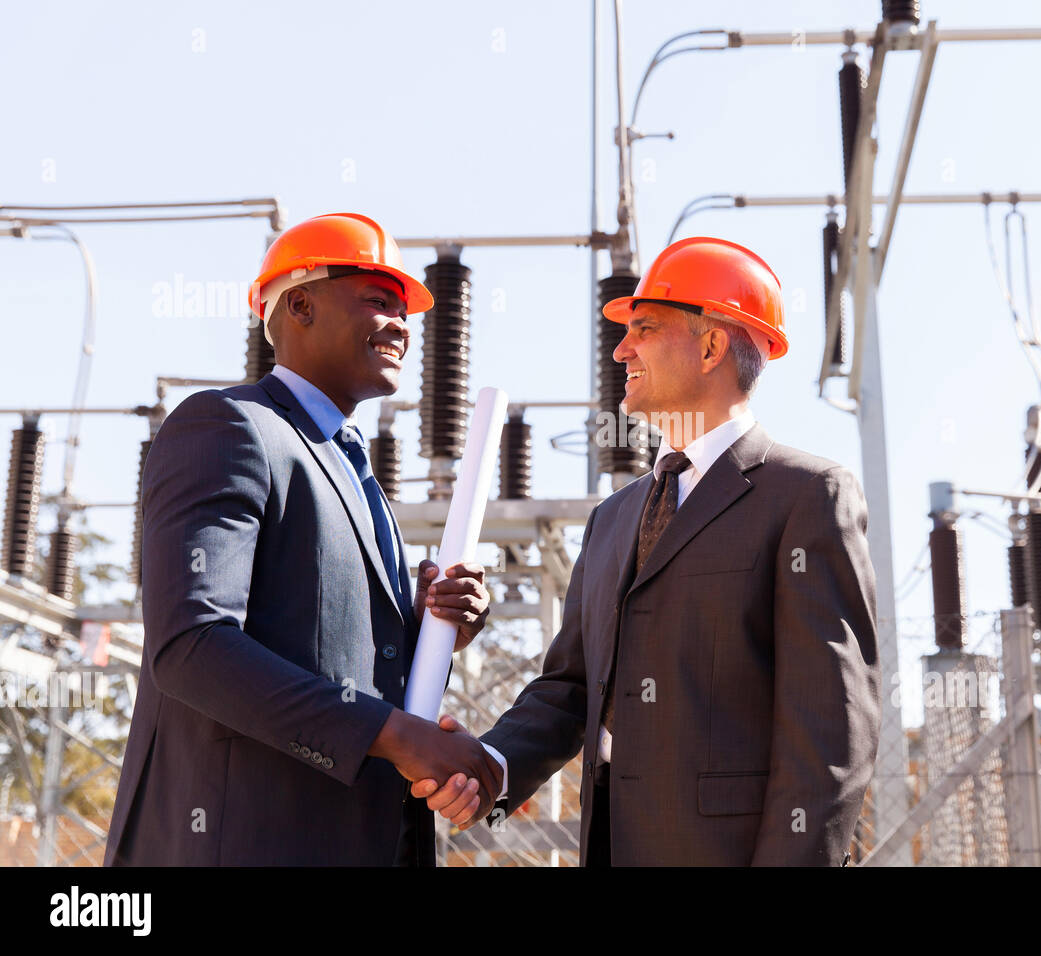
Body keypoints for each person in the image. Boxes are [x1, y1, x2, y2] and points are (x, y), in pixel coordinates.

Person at [419, 236, 880, 865]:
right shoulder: (614, 518)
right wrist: (492, 767)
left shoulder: (806, 497)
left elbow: (830, 731)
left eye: (645, 328)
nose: (621, 349)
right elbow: (570, 687)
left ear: (713, 345)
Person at [105, 212, 501, 866]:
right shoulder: (229, 427)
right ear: (300, 305)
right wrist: (396, 734)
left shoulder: (348, 466)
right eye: (379, 300)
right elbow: (192, 644)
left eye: (406, 309)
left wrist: (430, 628)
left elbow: (330, 652)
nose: (403, 323)